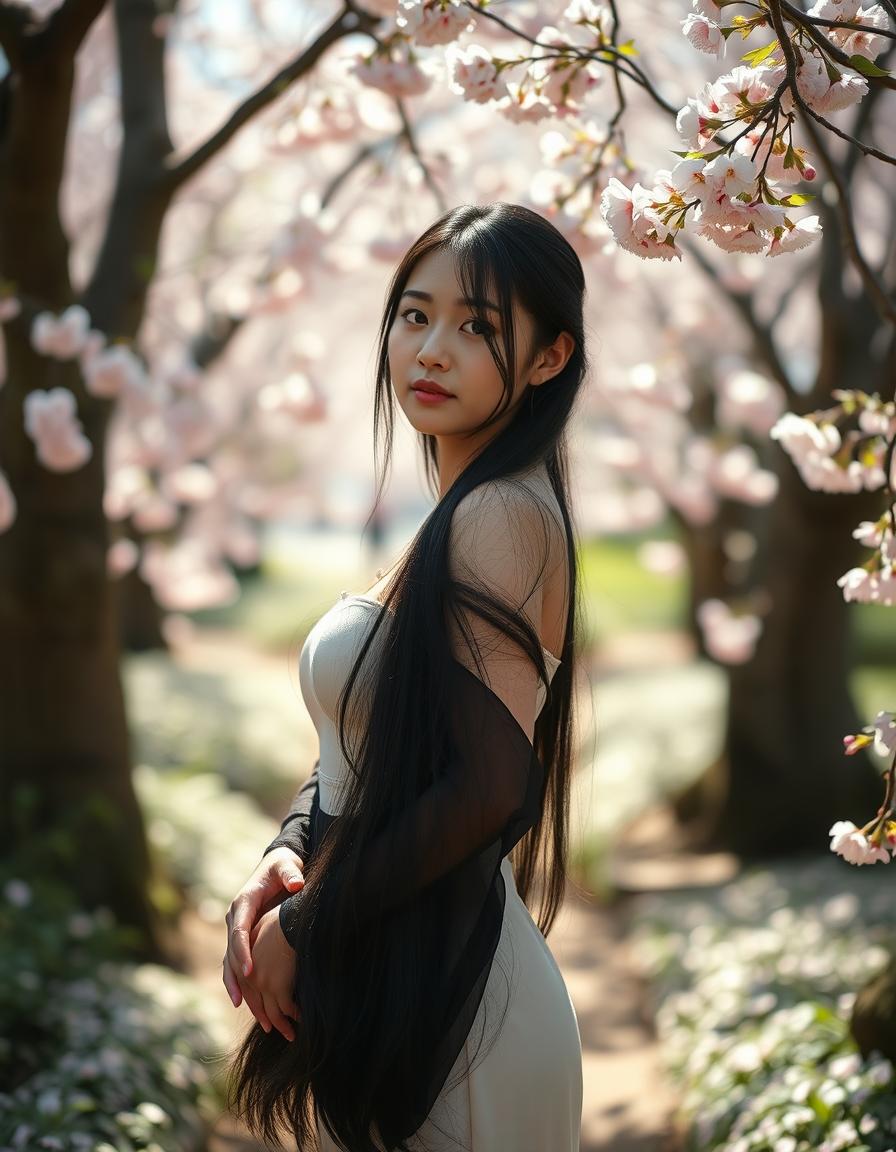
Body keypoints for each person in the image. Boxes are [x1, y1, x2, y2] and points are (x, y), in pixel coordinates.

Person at [222, 202, 588, 1152]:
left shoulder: (501, 516)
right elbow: (358, 743)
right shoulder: (458, 515)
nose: (431, 350)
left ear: (549, 358)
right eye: (415, 315)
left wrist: (308, 926)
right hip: (403, 973)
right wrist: (282, 857)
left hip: (461, 1020)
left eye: (478, 327)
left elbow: (490, 786)